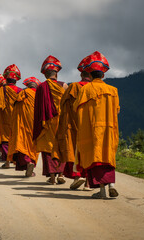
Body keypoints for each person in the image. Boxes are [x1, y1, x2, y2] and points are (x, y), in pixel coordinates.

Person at [73, 51, 120, 199]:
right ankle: (111, 185)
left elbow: (76, 108)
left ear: (90, 75)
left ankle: (102, 191)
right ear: (103, 75)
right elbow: (117, 110)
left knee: (97, 159)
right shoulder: (113, 91)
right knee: (108, 157)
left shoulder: (85, 89)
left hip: (92, 131)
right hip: (108, 130)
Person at [52, 56, 92, 190]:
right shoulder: (95, 88)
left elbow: (63, 106)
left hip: (74, 125)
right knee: (89, 151)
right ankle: (87, 183)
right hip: (90, 125)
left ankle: (77, 176)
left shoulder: (73, 87)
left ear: (81, 74)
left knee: (74, 150)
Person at [33, 55, 68, 184]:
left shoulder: (41, 87)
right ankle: (61, 175)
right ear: (56, 74)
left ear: (45, 75)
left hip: (47, 122)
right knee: (61, 146)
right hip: (61, 121)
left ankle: (52, 177)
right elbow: (69, 104)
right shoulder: (64, 86)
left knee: (48, 148)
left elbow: (38, 108)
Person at [7, 77, 41, 177]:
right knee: (33, 143)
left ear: (28, 86)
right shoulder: (39, 94)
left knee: (22, 143)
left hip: (23, 122)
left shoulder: (24, 92)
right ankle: (31, 164)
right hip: (36, 122)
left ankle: (28, 163)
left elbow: (16, 104)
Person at [0, 64, 22, 168]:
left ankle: (8, 162)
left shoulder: (1, 90)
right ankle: (16, 161)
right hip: (17, 117)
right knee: (16, 139)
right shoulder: (20, 91)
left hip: (4, 117)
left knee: (5, 140)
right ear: (16, 80)